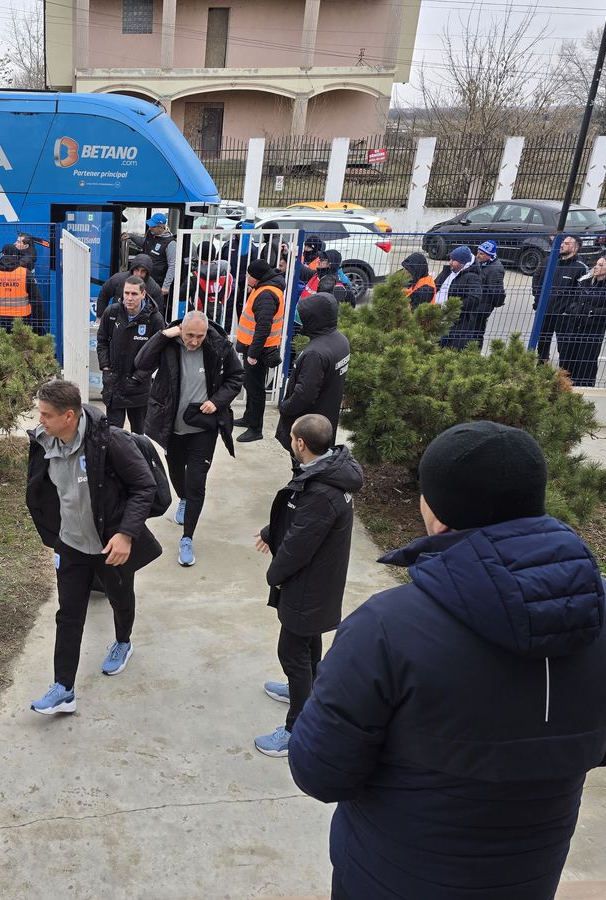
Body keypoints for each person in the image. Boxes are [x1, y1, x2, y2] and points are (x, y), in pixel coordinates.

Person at [288, 421, 606, 900]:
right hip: (529, 877)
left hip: (390, 877)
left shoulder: (386, 629)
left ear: (437, 514)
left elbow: (319, 771)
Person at [25, 379, 162, 715]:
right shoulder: (44, 442)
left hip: (108, 545)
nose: (39, 420)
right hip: (70, 544)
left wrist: (126, 534)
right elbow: (41, 489)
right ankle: (64, 688)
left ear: (68, 416)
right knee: (68, 614)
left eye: (46, 415)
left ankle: (123, 641)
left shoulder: (109, 442)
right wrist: (52, 532)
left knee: (119, 597)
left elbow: (144, 485)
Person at [253, 414, 362, 757]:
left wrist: (275, 574)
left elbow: (300, 545)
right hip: (317, 584)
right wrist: (272, 532)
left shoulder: (322, 492)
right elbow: (298, 520)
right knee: (308, 643)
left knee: (292, 651)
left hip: (308, 587)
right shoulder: (328, 472)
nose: (290, 442)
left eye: (291, 438)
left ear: (300, 443)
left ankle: (296, 729)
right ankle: (306, 692)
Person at [134, 309, 243, 567]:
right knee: (174, 469)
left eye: (199, 336)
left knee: (197, 483)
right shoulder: (169, 344)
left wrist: (217, 402)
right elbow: (141, 363)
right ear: (181, 329)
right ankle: (182, 498)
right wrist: (162, 336)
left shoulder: (219, 346)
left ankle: (187, 538)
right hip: (172, 426)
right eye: (189, 335)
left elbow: (236, 377)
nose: (194, 341)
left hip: (203, 428)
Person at [275, 293, 349, 453]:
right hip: (325, 422)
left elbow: (304, 395)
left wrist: (284, 407)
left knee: (305, 469)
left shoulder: (316, 353)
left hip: (308, 429)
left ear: (314, 318)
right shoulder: (340, 340)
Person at [97, 276, 165, 432]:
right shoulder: (112, 312)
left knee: (139, 436)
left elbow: (158, 353)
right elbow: (102, 341)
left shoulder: (154, 319)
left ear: (143, 294)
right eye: (126, 293)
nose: (129, 298)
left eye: (134, 294)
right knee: (113, 435)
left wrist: (138, 377)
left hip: (139, 388)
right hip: (114, 386)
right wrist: (106, 367)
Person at [234, 258, 285, 443]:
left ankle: (256, 429)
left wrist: (253, 354)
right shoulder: (263, 288)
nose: (246, 277)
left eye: (249, 274)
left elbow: (263, 327)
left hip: (259, 350)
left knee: (256, 390)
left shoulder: (266, 294)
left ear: (256, 277)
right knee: (250, 384)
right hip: (255, 347)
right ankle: (249, 418)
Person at [560, 254, 606, 387]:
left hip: (593, 332)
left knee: (586, 363)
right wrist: (574, 309)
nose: (596, 267)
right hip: (573, 329)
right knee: (567, 360)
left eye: (601, 265)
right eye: (596, 264)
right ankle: (563, 388)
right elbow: (570, 300)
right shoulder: (583, 283)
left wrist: (593, 312)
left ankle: (584, 390)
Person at [533, 235, 588, 364]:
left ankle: (564, 373)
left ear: (575, 248)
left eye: (567, 243)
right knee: (542, 342)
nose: (562, 245)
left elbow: (582, 293)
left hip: (564, 316)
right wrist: (538, 300)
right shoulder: (550, 261)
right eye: (563, 242)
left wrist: (570, 310)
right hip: (545, 311)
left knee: (564, 346)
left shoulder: (580, 268)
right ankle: (542, 365)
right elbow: (537, 279)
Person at [436, 246, 486, 349]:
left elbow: (474, 298)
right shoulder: (448, 272)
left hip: (456, 324)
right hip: (438, 319)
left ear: (463, 263)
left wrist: (452, 307)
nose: (450, 262)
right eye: (450, 259)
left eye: (454, 260)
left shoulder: (473, 278)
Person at [0, 253, 43, 335]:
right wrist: (37, 326)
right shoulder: (25, 273)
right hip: (21, 319)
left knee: (0, 345)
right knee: (21, 345)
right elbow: (36, 300)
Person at [96, 253, 163, 319]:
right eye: (137, 270)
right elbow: (104, 294)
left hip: (140, 324)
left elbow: (158, 314)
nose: (139, 274)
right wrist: (100, 317)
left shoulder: (155, 289)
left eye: (143, 271)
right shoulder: (118, 279)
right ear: (132, 269)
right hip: (117, 321)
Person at [141, 213, 177, 301]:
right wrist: (131, 237)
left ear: (161, 227)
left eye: (153, 226)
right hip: (144, 280)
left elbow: (173, 265)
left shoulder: (170, 243)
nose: (150, 228)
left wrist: (166, 286)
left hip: (157, 283)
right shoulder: (151, 234)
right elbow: (144, 243)